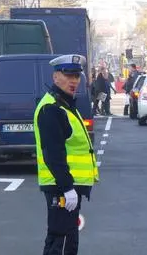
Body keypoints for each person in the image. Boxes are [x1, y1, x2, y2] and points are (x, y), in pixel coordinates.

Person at [33, 54, 99, 254]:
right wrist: (67, 187)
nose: (74, 81)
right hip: (61, 188)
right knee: (60, 242)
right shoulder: (51, 108)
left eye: (77, 76)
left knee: (66, 239)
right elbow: (53, 153)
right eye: (68, 75)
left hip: (67, 186)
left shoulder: (64, 104)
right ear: (55, 77)